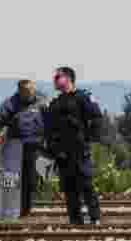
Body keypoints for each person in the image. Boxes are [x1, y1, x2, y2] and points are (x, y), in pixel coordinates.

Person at [43, 66, 104, 226]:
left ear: (68, 78)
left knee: (86, 184)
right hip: (62, 153)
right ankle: (75, 221)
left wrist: (88, 139)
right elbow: (49, 128)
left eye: (58, 77)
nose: (55, 80)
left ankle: (95, 218)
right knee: (69, 189)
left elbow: (96, 118)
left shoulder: (83, 97)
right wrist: (52, 148)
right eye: (54, 78)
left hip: (79, 149)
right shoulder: (55, 102)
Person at [0, 80, 47, 218]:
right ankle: (10, 209)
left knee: (30, 179)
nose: (30, 92)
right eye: (27, 90)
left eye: (32, 89)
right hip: (15, 145)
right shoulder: (10, 104)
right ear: (20, 91)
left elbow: (49, 122)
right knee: (13, 179)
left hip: (34, 146)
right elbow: (1, 122)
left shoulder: (42, 103)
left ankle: (25, 211)